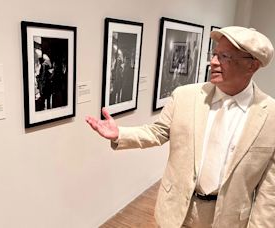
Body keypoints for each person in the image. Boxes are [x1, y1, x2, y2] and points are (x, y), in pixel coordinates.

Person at [86, 26, 275, 227]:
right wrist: (119, 134)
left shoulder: (270, 115)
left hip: (228, 219)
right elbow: (158, 132)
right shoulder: (185, 96)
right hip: (176, 212)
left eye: (225, 56)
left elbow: (270, 190)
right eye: (214, 54)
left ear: (252, 66)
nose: (213, 62)